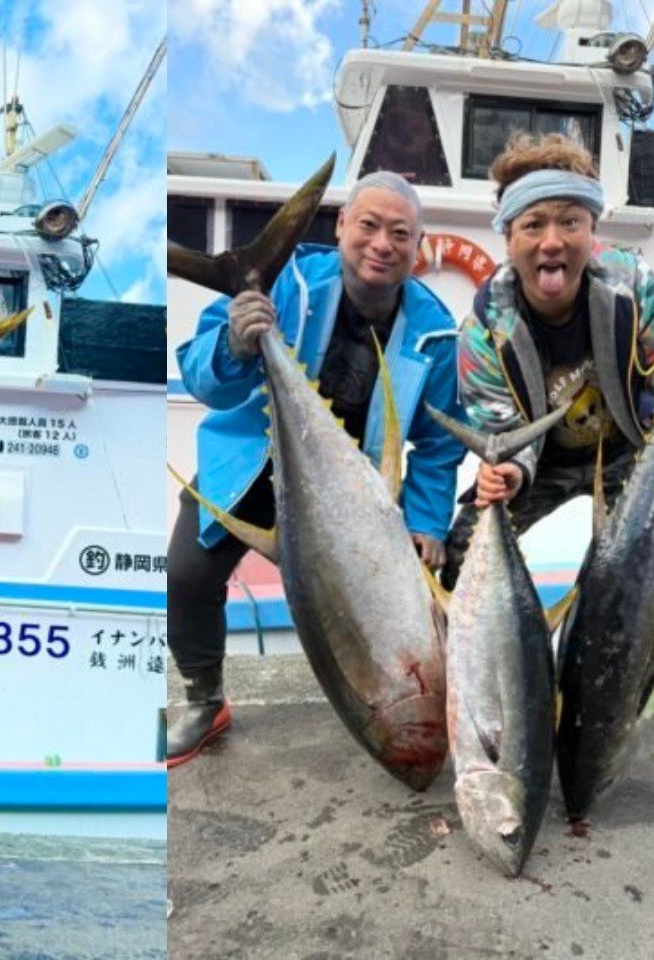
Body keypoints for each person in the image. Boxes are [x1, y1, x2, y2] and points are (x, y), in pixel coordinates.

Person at [442, 132, 654, 783]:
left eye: (570, 221)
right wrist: (505, 471)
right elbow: (501, 430)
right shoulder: (483, 330)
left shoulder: (630, 283)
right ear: (508, 236)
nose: (552, 240)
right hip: (538, 464)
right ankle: (460, 695)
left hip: (628, 451)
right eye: (534, 223)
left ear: (591, 229)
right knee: (461, 552)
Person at [168, 171, 466, 767]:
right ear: (341, 227)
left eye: (400, 233)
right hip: (257, 463)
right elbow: (203, 381)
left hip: (361, 493)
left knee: (444, 580)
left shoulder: (435, 331)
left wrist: (429, 525)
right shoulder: (286, 283)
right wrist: (234, 343)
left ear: (418, 244)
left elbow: (437, 444)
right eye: (369, 226)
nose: (382, 243)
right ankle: (203, 701)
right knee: (186, 573)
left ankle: (439, 709)